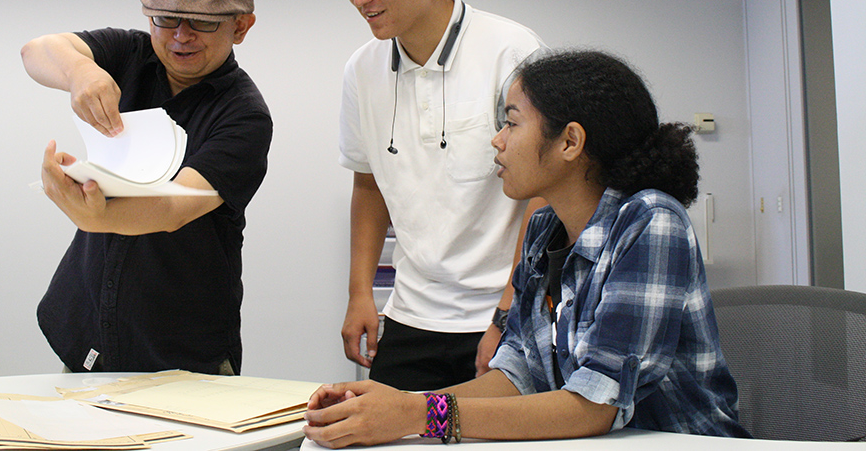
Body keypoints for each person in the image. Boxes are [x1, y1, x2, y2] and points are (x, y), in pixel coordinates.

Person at [303, 50, 749, 446]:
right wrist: (390, 406)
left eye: (512, 123)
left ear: (570, 142)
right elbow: (519, 373)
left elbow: (596, 405)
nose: (497, 140)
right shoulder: (543, 230)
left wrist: (418, 415)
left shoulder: (650, 222)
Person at [322, 0, 548, 391]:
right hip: (412, 313)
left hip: (500, 311)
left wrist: (512, 307)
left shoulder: (511, 52)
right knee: (388, 433)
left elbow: (544, 191)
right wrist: (360, 293)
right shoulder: (362, 69)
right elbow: (368, 182)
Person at [21, 0, 272, 376]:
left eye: (203, 22)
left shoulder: (244, 114)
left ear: (241, 27)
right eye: (165, 19)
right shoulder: (130, 54)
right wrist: (80, 71)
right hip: (87, 334)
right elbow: (36, 51)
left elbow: (174, 207)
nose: (180, 35)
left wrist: (94, 216)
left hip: (184, 351)